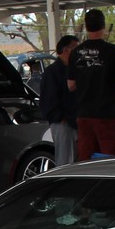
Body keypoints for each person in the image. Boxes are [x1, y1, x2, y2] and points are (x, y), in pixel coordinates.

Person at [68, 8, 115, 161]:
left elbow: (70, 85)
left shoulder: (76, 53)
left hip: (84, 116)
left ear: (86, 27)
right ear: (104, 26)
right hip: (108, 116)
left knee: (86, 160)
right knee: (111, 161)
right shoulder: (113, 51)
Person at [38, 35, 80, 167]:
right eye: (76, 49)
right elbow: (48, 99)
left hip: (77, 122)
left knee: (78, 161)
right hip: (63, 123)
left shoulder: (75, 70)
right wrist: (61, 118)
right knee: (65, 161)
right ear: (67, 50)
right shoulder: (52, 72)